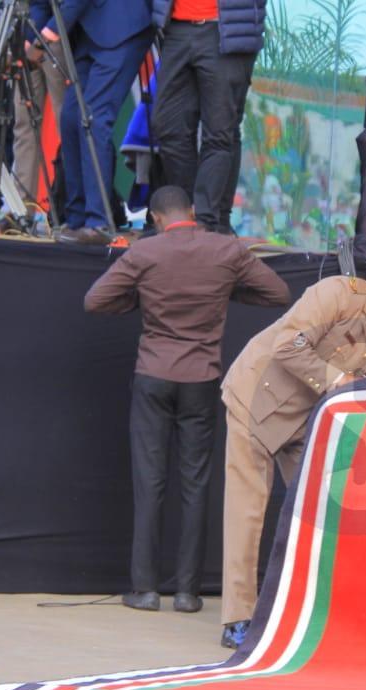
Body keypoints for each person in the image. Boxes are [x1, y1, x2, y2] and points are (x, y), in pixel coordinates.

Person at [219, 250, 366, 648]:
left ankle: (317, 609)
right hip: (255, 398)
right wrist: (336, 378)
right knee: (248, 510)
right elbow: (287, 344)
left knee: (326, 510)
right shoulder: (338, 294)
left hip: (306, 415)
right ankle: (238, 618)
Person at [84, 186, 290, 613]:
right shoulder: (226, 250)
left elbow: (95, 300)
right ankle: (187, 593)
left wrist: (139, 301)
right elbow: (277, 294)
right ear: (193, 212)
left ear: (156, 218)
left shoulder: (145, 253)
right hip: (202, 378)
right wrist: (226, 292)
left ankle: (143, 590)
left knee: (150, 482)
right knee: (196, 486)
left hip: (153, 375)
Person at [28, 0, 152, 245]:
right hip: (86, 34)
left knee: (93, 119)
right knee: (71, 118)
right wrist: (26, 38)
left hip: (120, 27)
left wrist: (45, 36)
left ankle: (98, 222)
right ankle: (75, 218)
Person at [151, 0, 265, 233]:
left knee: (219, 132)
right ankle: (188, 215)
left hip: (226, 30)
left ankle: (206, 221)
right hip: (177, 28)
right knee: (168, 127)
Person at [14, 32, 70, 207]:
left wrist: (48, 32)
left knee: (68, 124)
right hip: (25, 37)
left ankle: (74, 207)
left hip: (57, 36)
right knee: (24, 125)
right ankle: (22, 207)